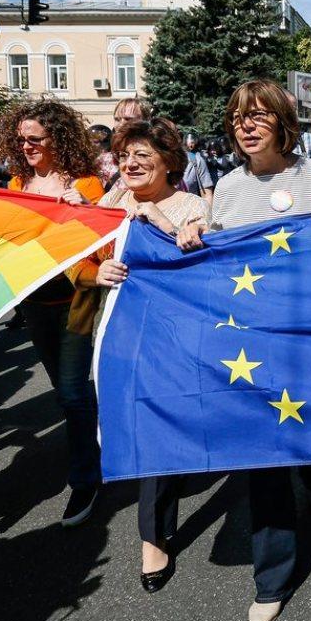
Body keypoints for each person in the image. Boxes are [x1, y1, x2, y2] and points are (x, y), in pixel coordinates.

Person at [175, 79, 311, 621]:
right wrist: (196, 230)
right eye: (237, 118)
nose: (245, 127)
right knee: (263, 457)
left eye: (258, 116)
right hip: (249, 340)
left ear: (282, 122)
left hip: (308, 335)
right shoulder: (226, 187)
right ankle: (272, 580)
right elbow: (216, 255)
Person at [92, 118, 210, 594]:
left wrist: (163, 224)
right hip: (119, 335)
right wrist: (93, 271)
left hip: (171, 338)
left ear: (168, 162)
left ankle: (153, 539)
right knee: (135, 421)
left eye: (143, 155)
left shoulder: (192, 206)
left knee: (155, 427)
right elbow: (78, 262)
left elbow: (203, 264)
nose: (131, 164)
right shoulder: (107, 204)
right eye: (125, 156)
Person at [0, 100, 107, 527]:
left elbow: (103, 245)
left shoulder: (87, 183)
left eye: (35, 139)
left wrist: (85, 206)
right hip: (35, 305)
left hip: (76, 303)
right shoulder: (17, 184)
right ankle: (95, 440)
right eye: (21, 139)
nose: (27, 146)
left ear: (56, 138)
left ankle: (86, 479)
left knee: (73, 392)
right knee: (64, 390)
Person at [182, 132, 214, 205]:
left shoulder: (198, 159)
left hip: (190, 205)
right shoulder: (175, 157)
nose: (190, 145)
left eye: (192, 142)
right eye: (189, 141)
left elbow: (207, 194)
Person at [89, 124, 119, 190]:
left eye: (95, 142)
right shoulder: (89, 159)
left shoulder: (108, 159)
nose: (91, 145)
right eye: (89, 141)